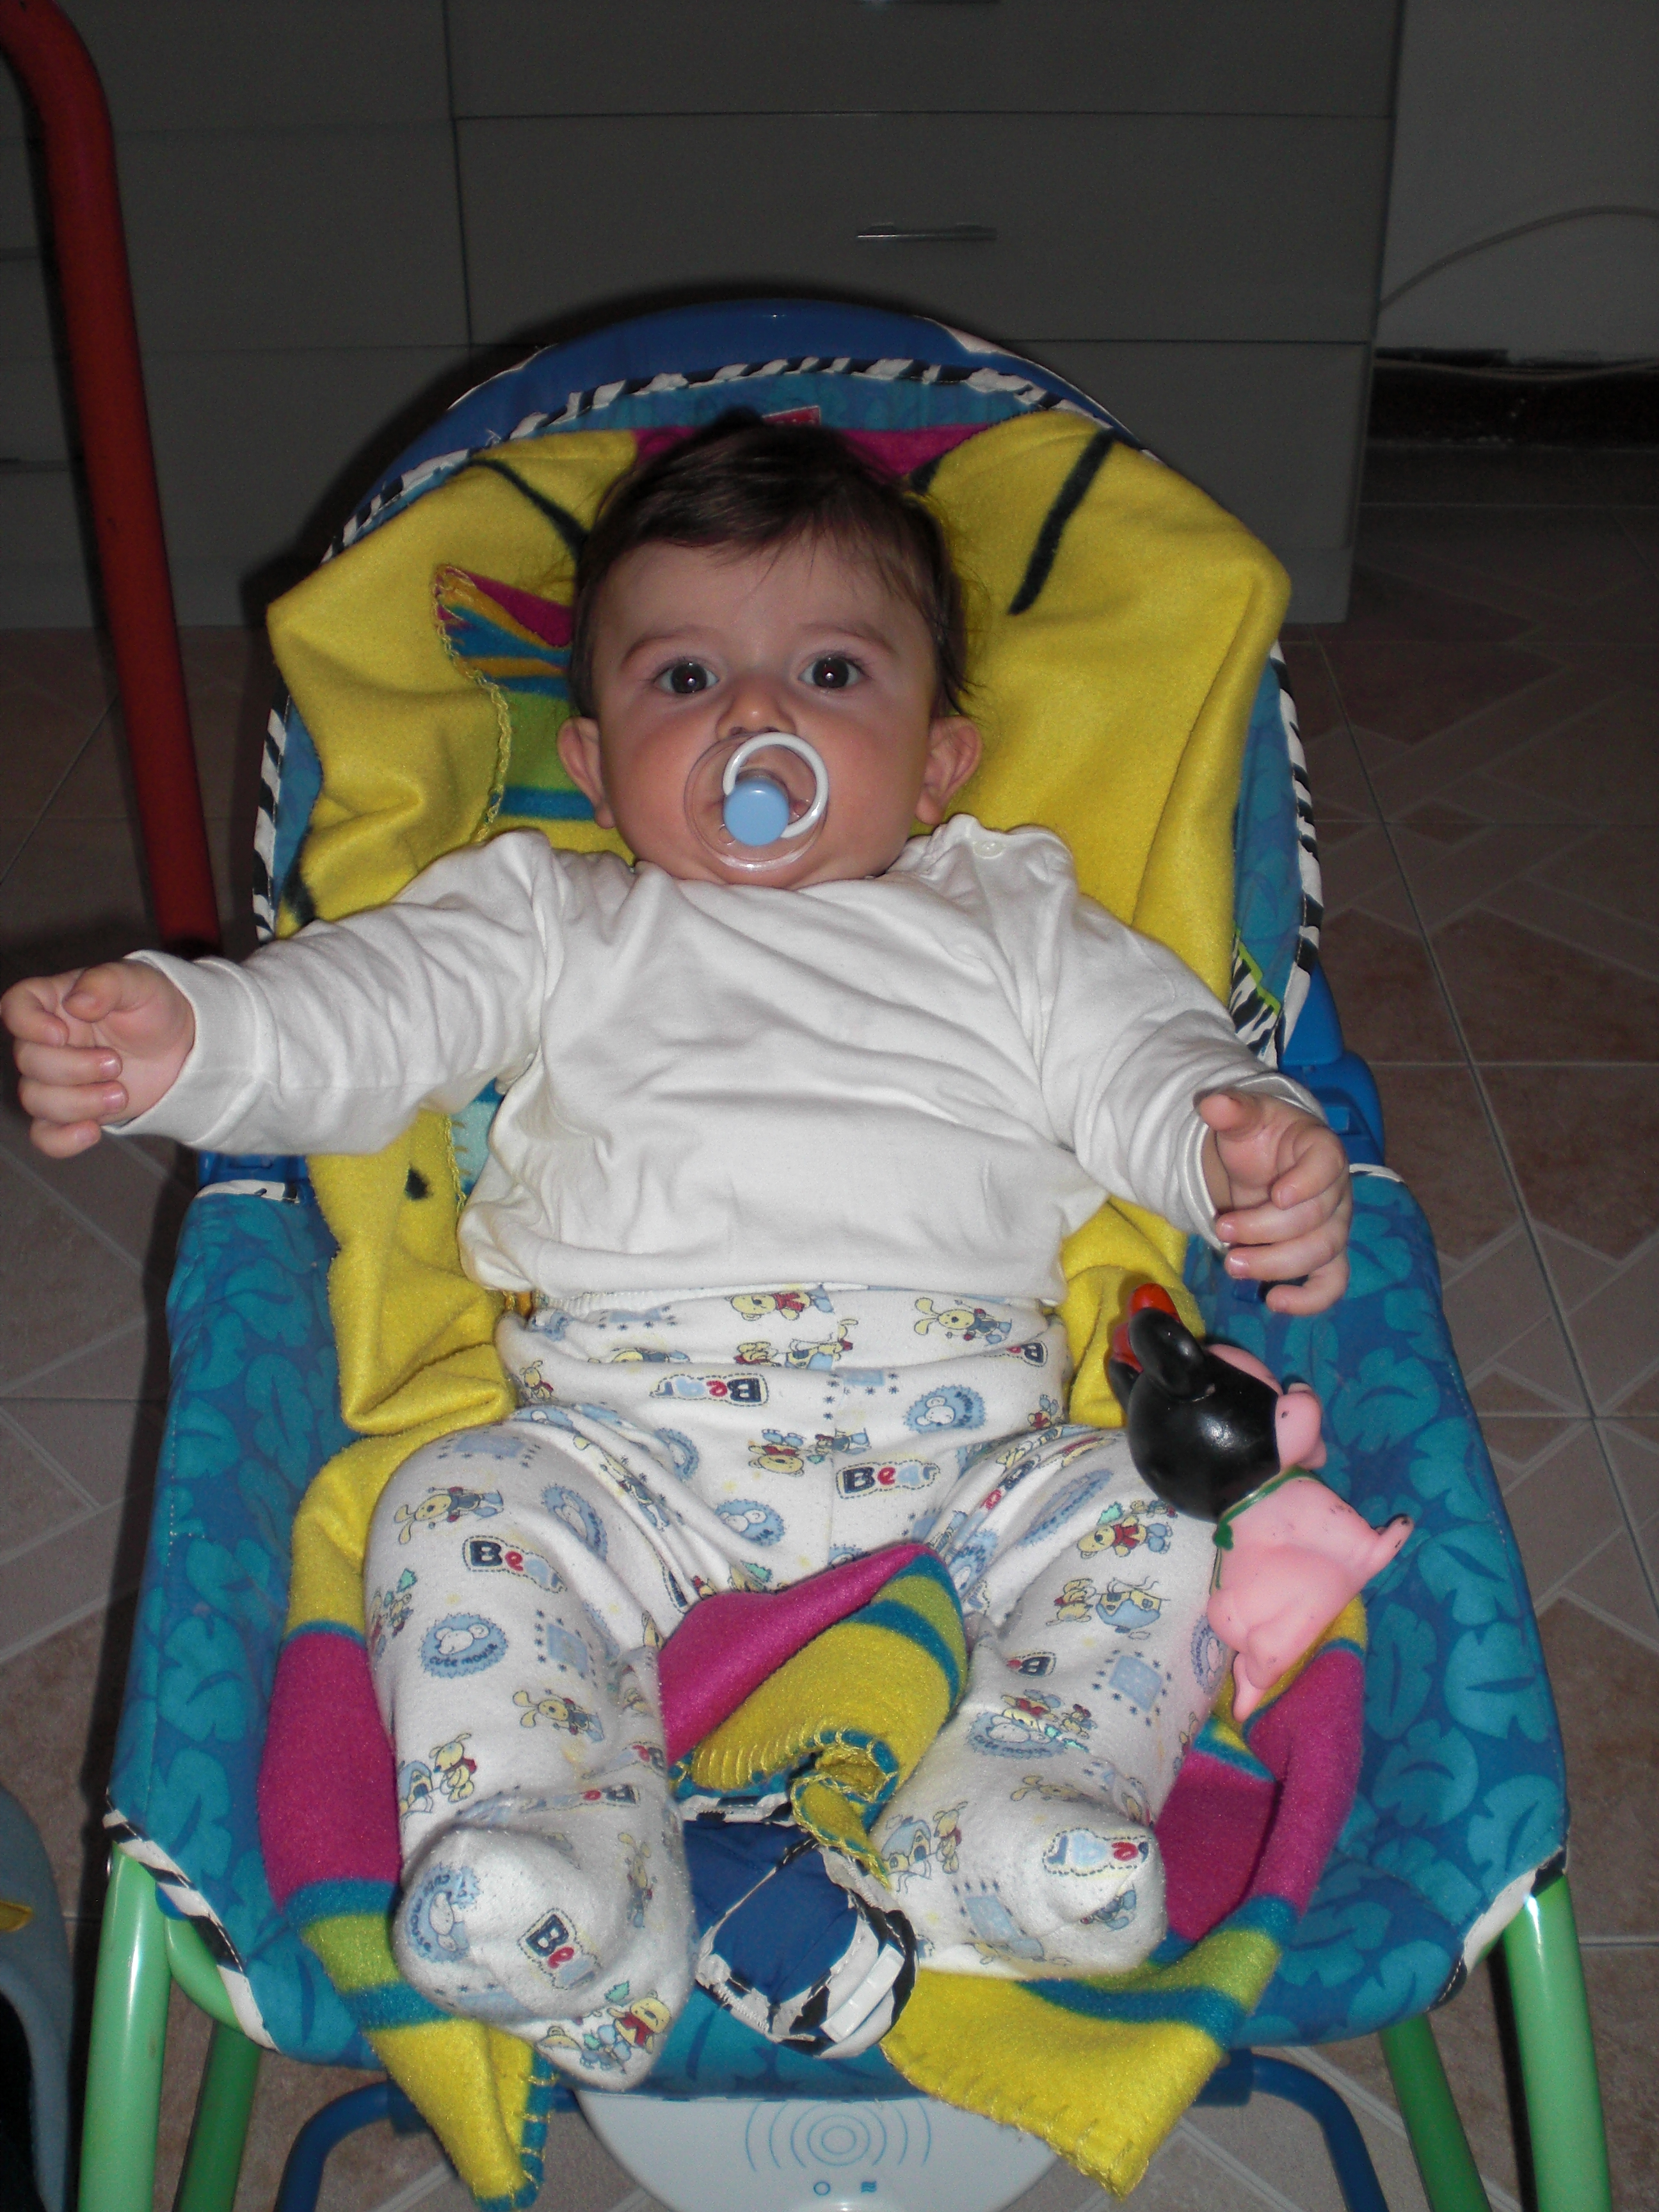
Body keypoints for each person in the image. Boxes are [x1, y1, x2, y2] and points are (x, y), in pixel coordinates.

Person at [3, 415, 1351, 2085]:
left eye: (833, 673)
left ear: (940, 760)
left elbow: (1148, 1058)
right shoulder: (551, 918)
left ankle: (1018, 1811)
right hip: (630, 1455)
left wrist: (1238, 1141)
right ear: (593, 762)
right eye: (686, 677)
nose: (755, 718)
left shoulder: (1008, 918)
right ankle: (568, 1861)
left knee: (1151, 1519)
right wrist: (191, 1037)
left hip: (970, 1460)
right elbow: (361, 1013)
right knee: (456, 1511)